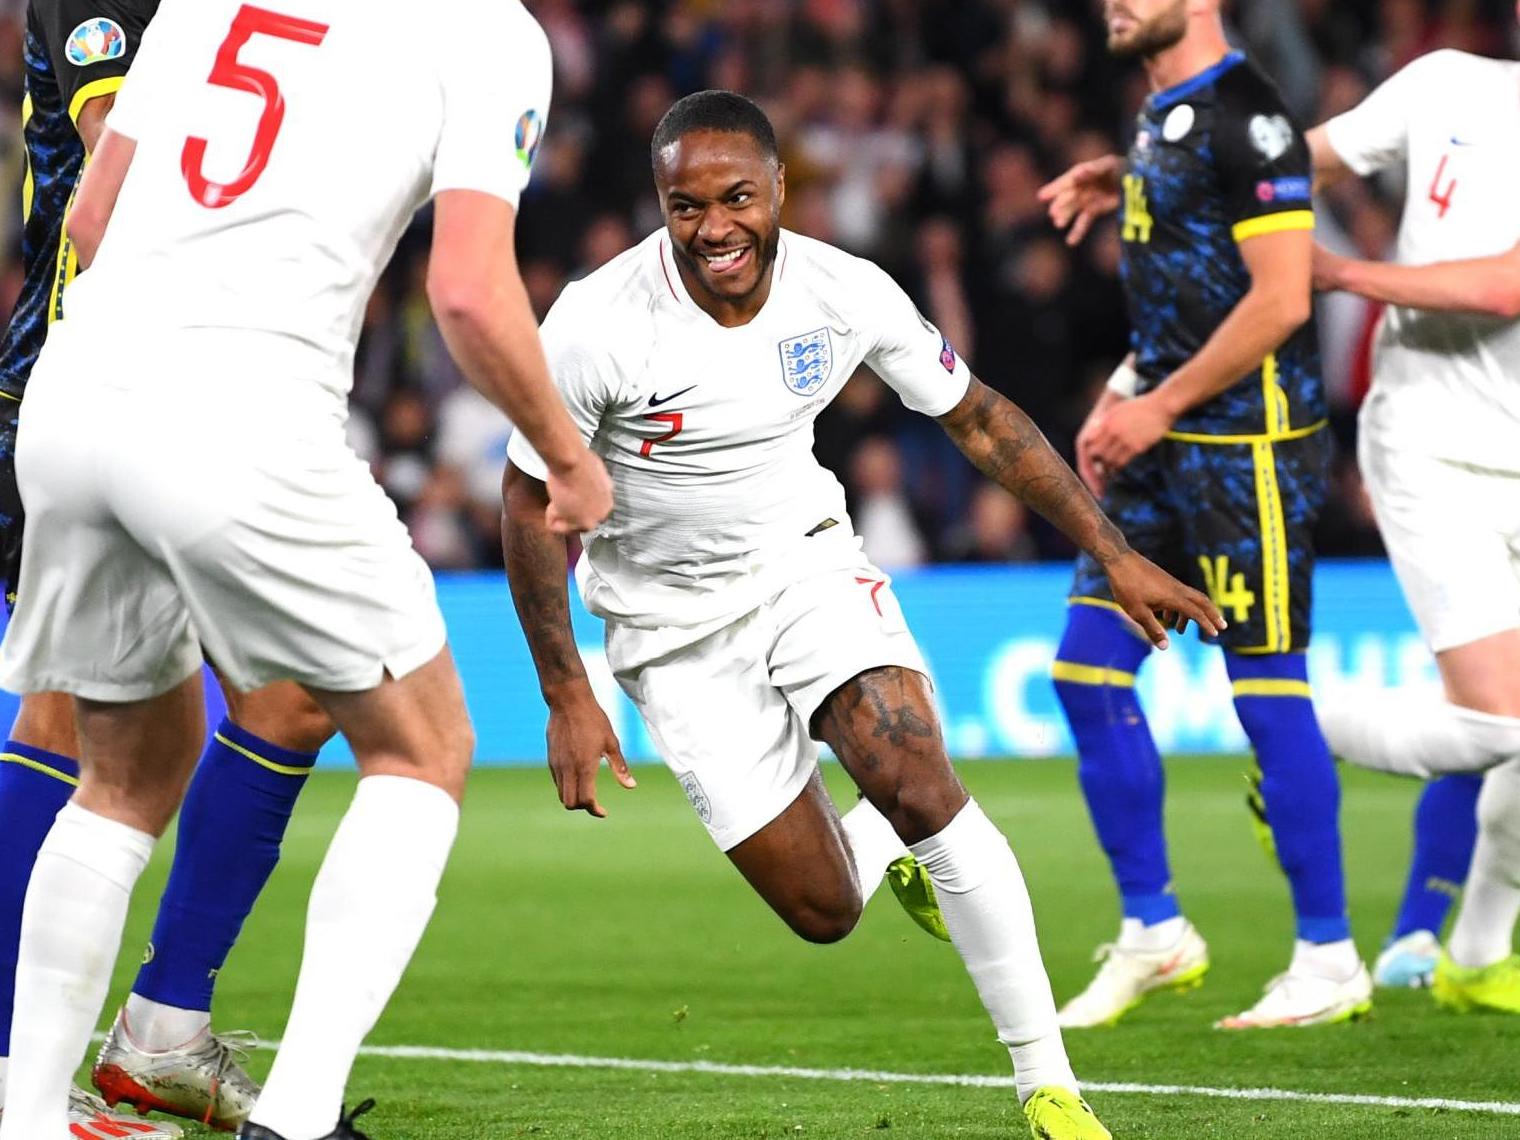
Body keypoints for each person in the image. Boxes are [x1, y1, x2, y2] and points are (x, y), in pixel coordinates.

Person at [503, 89, 1224, 1140]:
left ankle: (1046, 1087)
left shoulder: (843, 291)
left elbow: (975, 418)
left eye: (736, 198)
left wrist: (1110, 552)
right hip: (667, 628)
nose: (713, 230)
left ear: (781, 186)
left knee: (917, 778)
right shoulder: (593, 322)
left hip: (805, 564)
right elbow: (527, 501)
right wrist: (567, 691)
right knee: (823, 912)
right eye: (685, 206)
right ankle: (873, 848)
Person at [0, 0, 613, 1135]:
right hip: (240, 416)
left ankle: (22, 1115)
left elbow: (93, 208)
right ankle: (297, 1116)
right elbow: (470, 293)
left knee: (123, 776)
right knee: (422, 743)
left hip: (72, 403)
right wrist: (569, 460)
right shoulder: (490, 33)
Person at [0, 0, 342, 1131]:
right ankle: (22, 1077)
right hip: (101, 386)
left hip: (206, 388)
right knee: (74, 727)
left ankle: (160, 1033)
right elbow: (124, 186)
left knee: (289, 696)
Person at [1037, 0, 1370, 1029]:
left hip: (1248, 449)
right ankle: (1154, 932)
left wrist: (1156, 407)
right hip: (1161, 440)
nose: (1113, 2)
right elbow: (1186, 282)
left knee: (1264, 688)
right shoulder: (1159, 119)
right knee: (1085, 675)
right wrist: (1126, 392)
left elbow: (1276, 301)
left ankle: (1327, 957)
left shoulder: (1252, 118)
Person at [1305, 17, 1520, 1013]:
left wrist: (1343, 272)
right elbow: (1295, 160)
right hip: (1430, 441)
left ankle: (1475, 959)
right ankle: (1289, 732)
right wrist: (1155, 178)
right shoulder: (1440, 83)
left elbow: (1504, 283)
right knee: (1493, 720)